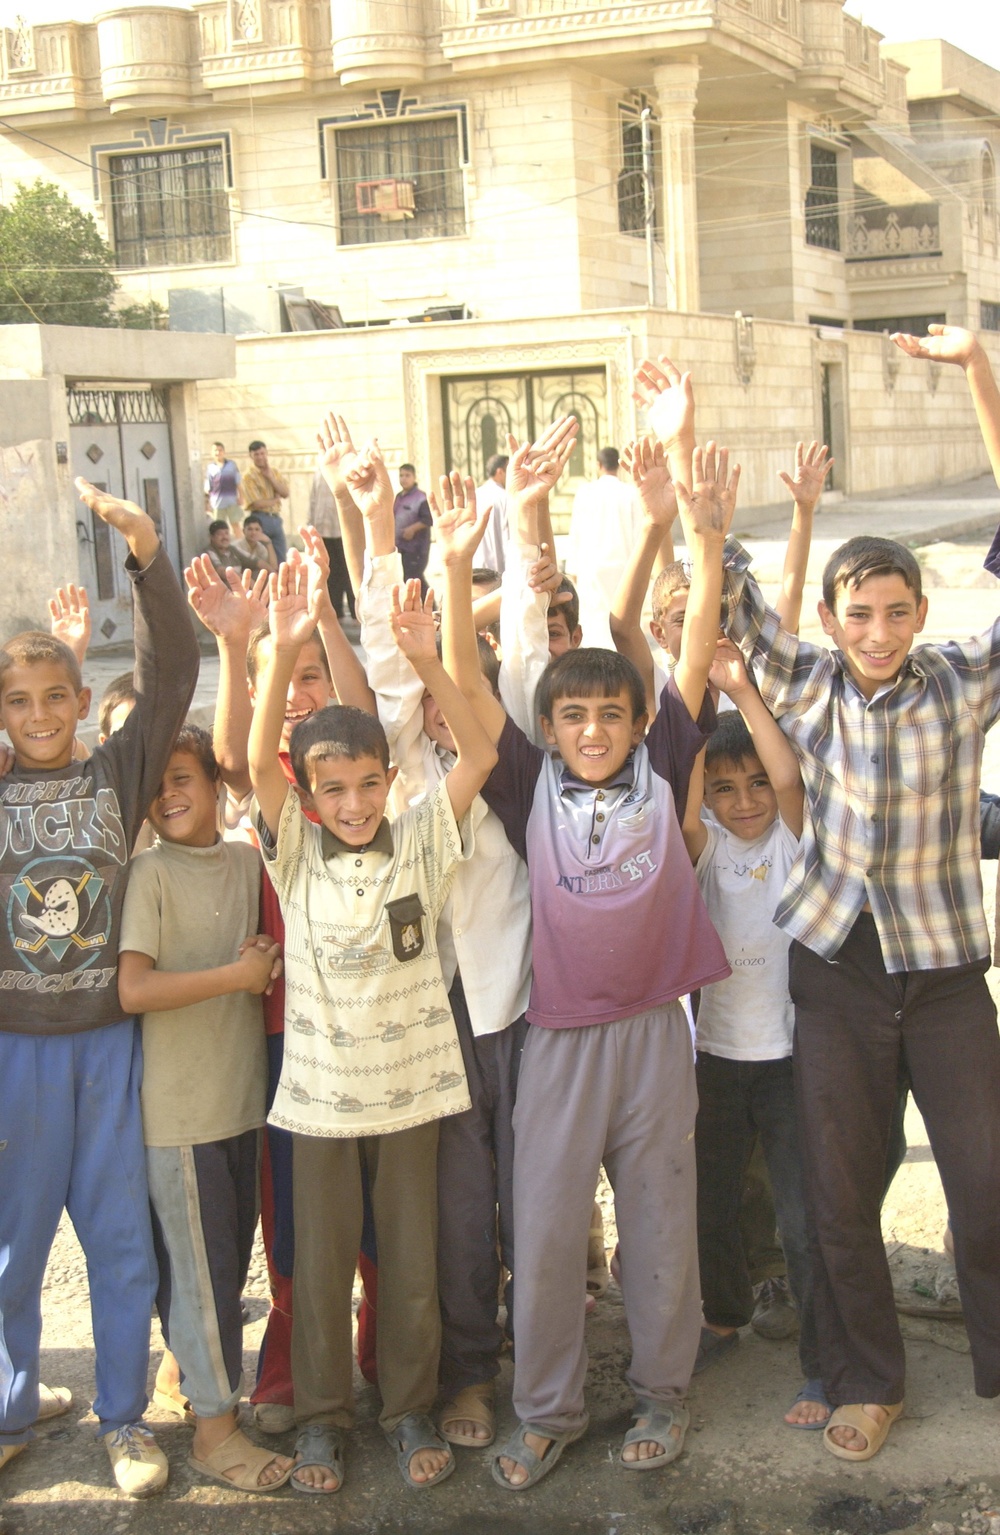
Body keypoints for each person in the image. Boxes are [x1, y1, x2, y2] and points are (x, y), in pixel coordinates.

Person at [687, 323, 1000, 1464]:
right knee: (839, 1193)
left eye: (896, 610)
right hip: (836, 972)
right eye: (857, 613)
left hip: (947, 974)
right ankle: (868, 1378)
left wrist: (980, 374)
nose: (877, 631)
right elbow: (730, 602)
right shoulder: (808, 685)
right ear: (830, 620)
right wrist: (701, 510)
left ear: (920, 613)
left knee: (985, 1181)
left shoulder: (961, 682)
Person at [450, 421, 735, 1488]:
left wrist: (694, 535)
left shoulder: (664, 762)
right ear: (551, 726)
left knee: (661, 1223)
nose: (595, 730)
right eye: (573, 716)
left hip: (655, 1033)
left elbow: (690, 648)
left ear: (638, 717)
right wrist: (455, 567)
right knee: (546, 1228)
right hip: (560, 1041)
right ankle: (547, 1410)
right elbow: (466, 688)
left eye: (611, 712)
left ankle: (663, 1395)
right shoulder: (529, 784)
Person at [247, 529, 498, 1495]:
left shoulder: (424, 839)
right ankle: (322, 1420)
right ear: (309, 797)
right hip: (318, 1104)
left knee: (411, 1264)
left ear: (391, 782)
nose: (352, 803)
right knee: (317, 1268)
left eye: (366, 784)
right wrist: (281, 648)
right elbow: (257, 764)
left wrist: (429, 660)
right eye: (332, 790)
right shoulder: (296, 854)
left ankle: (408, 1407)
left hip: (411, 1098)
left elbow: (480, 750)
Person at [0, 479, 198, 1497]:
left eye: (54, 696)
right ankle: (8, 1404)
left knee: (122, 1241)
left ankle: (123, 1416)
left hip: (109, 1044)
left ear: (83, 702)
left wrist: (146, 551)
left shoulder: (114, 777)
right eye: (17, 700)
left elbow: (173, 674)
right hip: (15, 1052)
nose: (38, 714)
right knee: (13, 1244)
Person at [355, 448, 532, 1453]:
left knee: (535, 1201)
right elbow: (391, 669)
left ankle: (545, 1363)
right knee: (462, 1210)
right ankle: (470, 1371)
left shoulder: (512, 773)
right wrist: (379, 529)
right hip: (438, 1019)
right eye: (426, 698)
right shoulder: (402, 777)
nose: (436, 707)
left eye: (457, 690)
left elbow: (488, 676)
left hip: (521, 1009)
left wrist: (490, 549)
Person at [118, 725, 292, 1495]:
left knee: (223, 1268)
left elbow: (269, 947)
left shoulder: (247, 862)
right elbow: (133, 987)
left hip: (242, 1104)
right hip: (180, 1114)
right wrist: (236, 975)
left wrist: (263, 961)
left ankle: (198, 1390)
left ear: (216, 786)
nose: (168, 794)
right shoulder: (149, 873)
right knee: (197, 1279)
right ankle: (215, 1434)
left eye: (183, 777)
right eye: (156, 784)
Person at [680, 641, 825, 1427]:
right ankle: (722, 1315)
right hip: (715, 1057)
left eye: (755, 784)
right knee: (714, 1200)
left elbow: (793, 778)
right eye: (725, 788)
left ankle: (823, 1361)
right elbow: (684, 797)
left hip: (788, 1059)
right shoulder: (706, 848)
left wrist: (742, 693)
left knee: (802, 1218)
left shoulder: (789, 842)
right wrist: (698, 704)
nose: (744, 802)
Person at [565, 446, 645, 649]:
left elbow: (576, 531)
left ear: (598, 465)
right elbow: (639, 532)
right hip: (623, 565)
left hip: (591, 565)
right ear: (619, 465)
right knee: (621, 616)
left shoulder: (586, 492)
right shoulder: (630, 493)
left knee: (594, 620)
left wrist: (572, 567)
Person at [308, 468, 355, 620]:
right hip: (323, 530)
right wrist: (311, 525)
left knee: (350, 571)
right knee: (330, 572)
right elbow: (313, 500)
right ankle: (337, 611)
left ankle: (355, 613)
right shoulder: (319, 472)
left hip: (344, 531)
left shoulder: (348, 468)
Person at [241, 441, 290, 563]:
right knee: (263, 558)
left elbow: (285, 493)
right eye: (256, 454)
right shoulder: (248, 476)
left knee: (281, 559)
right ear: (251, 456)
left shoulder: (274, 472)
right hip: (259, 519)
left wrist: (270, 478)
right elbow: (256, 503)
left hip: (276, 518)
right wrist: (275, 500)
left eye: (262, 453)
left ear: (266, 453)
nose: (260, 457)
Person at [393, 463, 432, 592]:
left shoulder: (421, 498)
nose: (404, 478)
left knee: (415, 579)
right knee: (408, 579)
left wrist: (412, 529)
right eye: (401, 475)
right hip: (402, 547)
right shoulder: (399, 496)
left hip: (416, 549)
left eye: (407, 475)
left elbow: (428, 519)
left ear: (414, 477)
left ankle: (430, 603)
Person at [475, 453, 509, 576]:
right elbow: (508, 537)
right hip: (498, 569)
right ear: (500, 472)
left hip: (476, 565)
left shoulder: (475, 495)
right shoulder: (505, 497)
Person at [204, 442, 242, 532]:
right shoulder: (210, 468)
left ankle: (240, 542)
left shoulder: (232, 465)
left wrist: (241, 497)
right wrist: (207, 502)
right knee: (218, 528)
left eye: (220, 450)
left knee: (236, 526)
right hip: (217, 503)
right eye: (215, 450)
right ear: (212, 453)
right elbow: (208, 486)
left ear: (224, 452)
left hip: (232, 501)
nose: (218, 452)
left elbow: (238, 482)